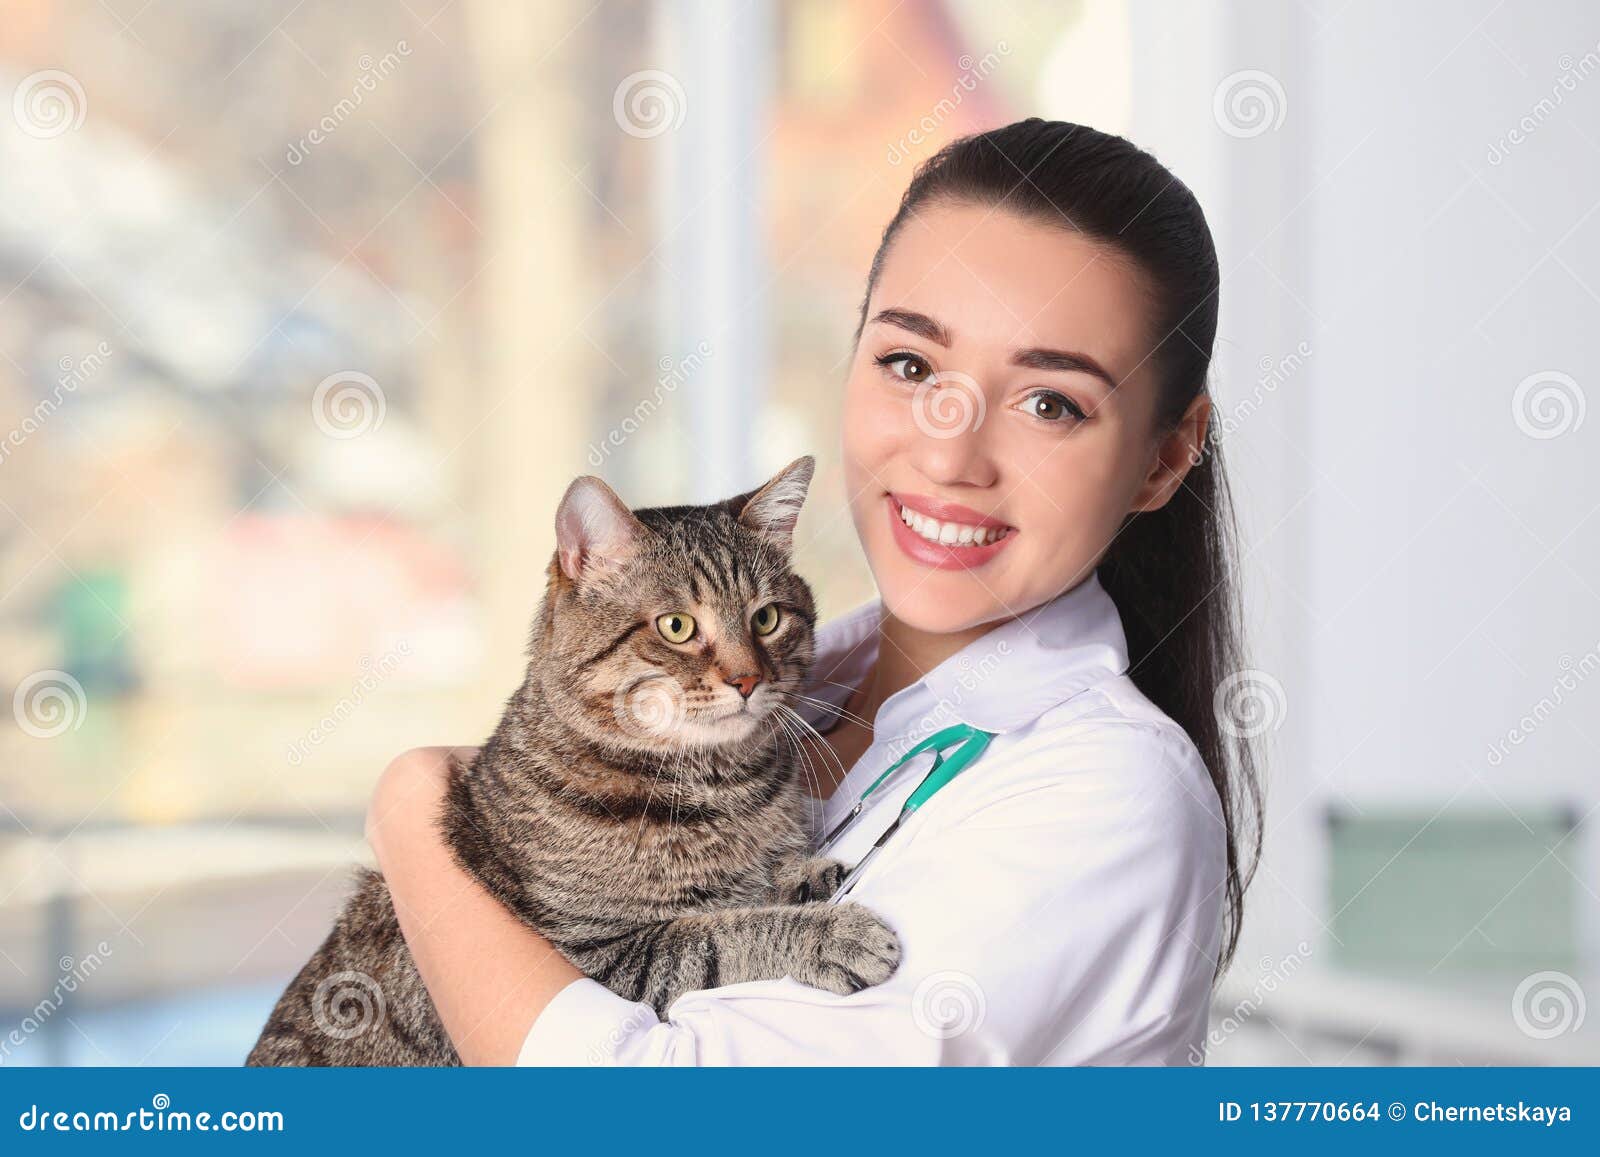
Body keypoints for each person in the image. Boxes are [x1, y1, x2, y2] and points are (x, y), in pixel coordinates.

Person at [366, 118, 1263, 1065]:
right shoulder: (806, 691)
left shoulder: (1110, 796)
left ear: (1165, 457)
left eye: (1050, 403)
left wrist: (413, 819)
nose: (950, 454)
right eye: (910, 364)